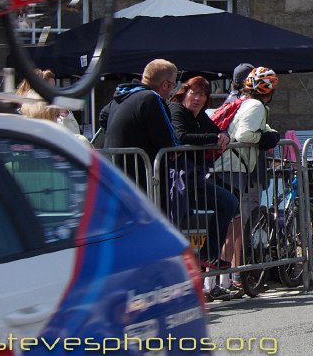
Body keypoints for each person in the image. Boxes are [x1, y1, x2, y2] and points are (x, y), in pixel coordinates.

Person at [211, 67, 281, 294]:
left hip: (229, 167)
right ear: (269, 91)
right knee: (229, 227)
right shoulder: (257, 106)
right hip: (233, 169)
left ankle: (222, 281)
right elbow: (244, 135)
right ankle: (216, 282)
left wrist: (271, 132)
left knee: (228, 226)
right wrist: (266, 138)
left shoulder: (244, 102)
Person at [166, 76, 240, 281]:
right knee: (176, 220)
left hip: (194, 178)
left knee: (228, 202)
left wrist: (222, 134)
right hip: (176, 179)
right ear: (185, 92)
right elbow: (180, 136)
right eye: (194, 93)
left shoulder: (199, 116)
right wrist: (214, 138)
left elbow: (217, 131)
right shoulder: (176, 109)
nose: (197, 98)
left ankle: (208, 254)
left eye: (202, 95)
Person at [101, 59, 180, 185]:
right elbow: (168, 140)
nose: (172, 91)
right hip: (138, 178)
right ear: (165, 85)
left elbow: (103, 116)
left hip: (112, 172)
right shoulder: (151, 98)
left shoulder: (120, 98)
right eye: (173, 85)